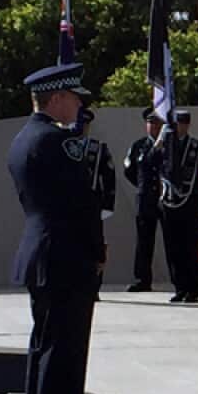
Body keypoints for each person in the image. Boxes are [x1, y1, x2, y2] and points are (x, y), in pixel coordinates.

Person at [7, 62, 104, 394]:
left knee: (44, 348)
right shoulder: (55, 142)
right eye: (75, 98)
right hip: (66, 258)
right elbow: (83, 204)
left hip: (41, 253)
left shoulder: (23, 139)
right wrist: (97, 251)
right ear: (58, 97)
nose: (79, 106)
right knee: (63, 356)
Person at [159, 110, 198, 303]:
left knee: (191, 247)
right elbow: (147, 165)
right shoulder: (165, 146)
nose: (180, 127)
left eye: (183, 123)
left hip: (190, 204)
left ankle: (192, 289)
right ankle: (179, 287)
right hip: (169, 203)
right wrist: (158, 145)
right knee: (173, 248)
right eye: (177, 123)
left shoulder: (197, 147)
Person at [75, 107, 115, 300]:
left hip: (93, 205)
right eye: (79, 123)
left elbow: (109, 178)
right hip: (71, 206)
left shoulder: (98, 148)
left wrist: (108, 205)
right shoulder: (64, 145)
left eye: (85, 124)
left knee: (95, 247)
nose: (82, 128)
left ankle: (94, 286)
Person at [123, 108, 164, 292]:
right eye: (151, 123)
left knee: (174, 241)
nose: (154, 127)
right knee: (144, 241)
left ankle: (181, 283)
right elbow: (130, 171)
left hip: (166, 199)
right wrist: (143, 186)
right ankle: (142, 279)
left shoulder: (170, 145)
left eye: (157, 123)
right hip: (146, 198)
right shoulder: (138, 146)